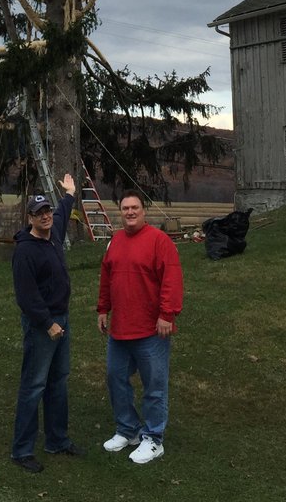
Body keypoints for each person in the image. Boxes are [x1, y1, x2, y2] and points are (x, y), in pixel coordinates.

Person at [97, 187, 183, 465]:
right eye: (125, 208)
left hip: (151, 330)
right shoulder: (116, 241)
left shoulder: (160, 241)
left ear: (143, 211)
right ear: (120, 212)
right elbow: (106, 278)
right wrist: (102, 309)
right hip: (120, 329)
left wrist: (167, 314)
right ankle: (128, 430)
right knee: (115, 379)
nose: (130, 212)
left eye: (135, 208)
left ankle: (153, 438)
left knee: (154, 386)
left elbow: (172, 279)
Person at [10, 173, 85, 473]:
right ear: (29, 217)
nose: (45, 217)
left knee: (58, 382)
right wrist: (47, 324)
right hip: (43, 326)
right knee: (34, 385)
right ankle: (21, 450)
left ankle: (57, 439)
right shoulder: (25, 250)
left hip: (61, 321)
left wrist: (69, 193)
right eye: (39, 213)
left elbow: (64, 211)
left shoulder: (53, 233)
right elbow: (26, 297)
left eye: (47, 212)